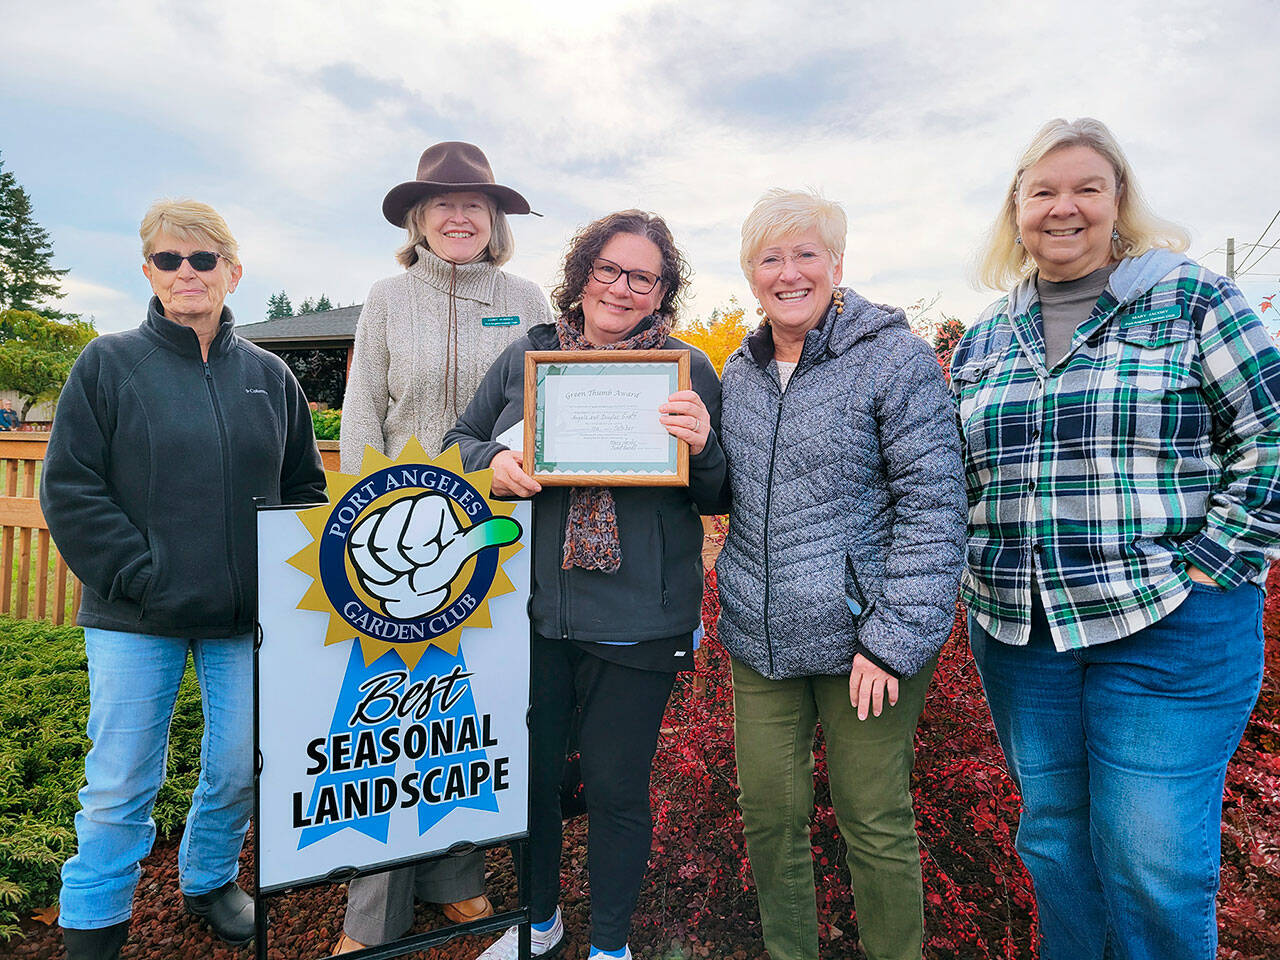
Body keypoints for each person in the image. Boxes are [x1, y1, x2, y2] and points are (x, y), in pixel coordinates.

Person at [953, 117, 1280, 960]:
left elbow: (1270, 433)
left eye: (1086, 188)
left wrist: (1219, 564)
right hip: (1022, 633)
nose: (1064, 208)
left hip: (1168, 624)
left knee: (1149, 860)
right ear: (1016, 210)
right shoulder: (988, 336)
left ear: (1118, 201)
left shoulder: (1192, 299)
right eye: (1043, 191)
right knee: (1056, 845)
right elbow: (948, 475)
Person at [41, 199, 327, 960]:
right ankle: (94, 921)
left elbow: (304, 490)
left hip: (245, 620)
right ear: (148, 272)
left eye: (203, 260)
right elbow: (71, 488)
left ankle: (207, 880)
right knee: (121, 780)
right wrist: (141, 576)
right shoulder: (107, 364)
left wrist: (281, 583)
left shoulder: (271, 377)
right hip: (136, 615)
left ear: (232, 273)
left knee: (239, 767)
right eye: (169, 259)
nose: (186, 273)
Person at [445, 209, 726, 960]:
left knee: (614, 790)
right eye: (609, 269)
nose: (622, 288)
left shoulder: (688, 367)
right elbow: (459, 441)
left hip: (639, 620)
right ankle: (538, 923)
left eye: (643, 276)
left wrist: (700, 448)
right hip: (532, 616)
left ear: (663, 289)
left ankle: (609, 945)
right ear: (582, 273)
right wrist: (488, 467)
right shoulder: (527, 355)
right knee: (531, 784)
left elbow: (719, 494)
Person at [715, 188, 966, 960]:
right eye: (769, 258)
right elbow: (727, 490)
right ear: (751, 274)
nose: (788, 273)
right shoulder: (742, 370)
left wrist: (893, 639)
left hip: (866, 642)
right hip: (762, 644)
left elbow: (935, 505)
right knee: (769, 818)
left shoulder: (893, 358)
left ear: (837, 263)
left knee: (874, 819)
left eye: (805, 254)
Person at [333, 141, 552, 953]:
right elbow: (361, 414)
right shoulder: (388, 298)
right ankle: (373, 915)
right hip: (396, 539)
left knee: (473, 711)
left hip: (497, 531)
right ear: (418, 217)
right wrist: (356, 526)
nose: (459, 216)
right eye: (442, 204)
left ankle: (457, 878)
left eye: (475, 206)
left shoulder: (525, 298)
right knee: (389, 721)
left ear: (493, 221)